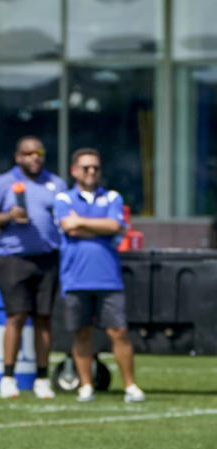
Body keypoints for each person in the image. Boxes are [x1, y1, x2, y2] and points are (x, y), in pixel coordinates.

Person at [55, 148, 145, 403]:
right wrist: (100, 227)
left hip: (108, 277)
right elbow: (67, 227)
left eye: (95, 167)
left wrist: (82, 222)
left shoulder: (112, 197)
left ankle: (130, 385)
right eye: (86, 168)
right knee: (82, 333)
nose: (91, 172)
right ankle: (86, 386)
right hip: (75, 277)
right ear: (74, 171)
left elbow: (116, 226)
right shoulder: (64, 198)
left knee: (118, 331)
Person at [0, 136, 66, 399]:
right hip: (14, 259)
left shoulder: (56, 183)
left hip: (47, 257)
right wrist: (9, 216)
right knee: (16, 317)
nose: (34, 157)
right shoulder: (3, 183)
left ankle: (42, 378)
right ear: (18, 157)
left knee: (44, 318)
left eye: (38, 152)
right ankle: (8, 377)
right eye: (28, 153)